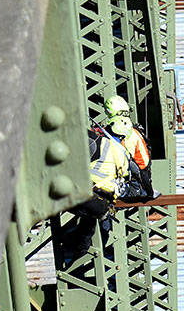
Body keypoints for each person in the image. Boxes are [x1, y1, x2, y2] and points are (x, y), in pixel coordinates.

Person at [57, 124, 130, 257]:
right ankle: (79, 246)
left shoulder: (101, 143)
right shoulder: (123, 156)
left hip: (83, 194)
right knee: (87, 221)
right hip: (99, 203)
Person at [106, 94, 154, 198]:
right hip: (138, 178)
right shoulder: (133, 130)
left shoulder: (121, 129)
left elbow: (119, 159)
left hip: (134, 183)